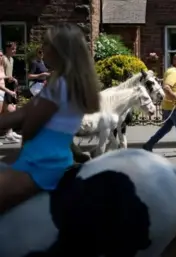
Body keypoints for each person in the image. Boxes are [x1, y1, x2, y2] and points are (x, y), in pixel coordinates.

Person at [0, 23, 101, 214]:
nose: (42, 48)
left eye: (46, 44)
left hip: (42, 163)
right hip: (46, 159)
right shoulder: (62, 82)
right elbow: (23, 113)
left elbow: (30, 123)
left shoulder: (61, 85)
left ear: (60, 50)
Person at [142, 53, 176, 156]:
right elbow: (166, 88)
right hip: (174, 107)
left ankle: (149, 145)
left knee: (166, 128)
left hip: (170, 106)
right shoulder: (172, 72)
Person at [2, 42, 21, 143]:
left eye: (15, 49)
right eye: (13, 49)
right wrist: (9, 79)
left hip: (10, 86)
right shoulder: (3, 59)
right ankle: (8, 133)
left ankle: (9, 132)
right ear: (7, 49)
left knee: (11, 109)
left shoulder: (12, 60)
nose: (15, 51)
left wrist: (13, 80)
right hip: (4, 86)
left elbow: (10, 74)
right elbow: (3, 74)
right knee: (10, 111)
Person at [0, 50, 17, 146]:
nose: (1, 57)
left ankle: (9, 133)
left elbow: (2, 78)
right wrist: (9, 91)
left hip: (3, 92)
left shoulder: (1, 66)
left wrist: (9, 78)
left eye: (1, 55)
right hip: (1, 92)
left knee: (9, 112)